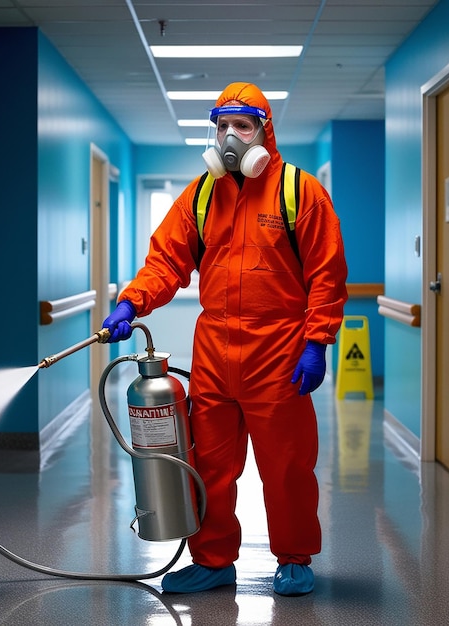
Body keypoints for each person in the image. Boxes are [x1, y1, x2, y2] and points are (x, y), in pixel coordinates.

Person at [103, 82, 348, 596]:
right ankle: (214, 560)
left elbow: (326, 273)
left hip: (278, 352)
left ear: (264, 130)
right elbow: (166, 260)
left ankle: (295, 558)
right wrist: (133, 301)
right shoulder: (202, 193)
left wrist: (317, 341)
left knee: (285, 468)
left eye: (242, 125)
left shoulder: (298, 190)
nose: (231, 136)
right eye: (222, 126)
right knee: (209, 464)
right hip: (215, 350)